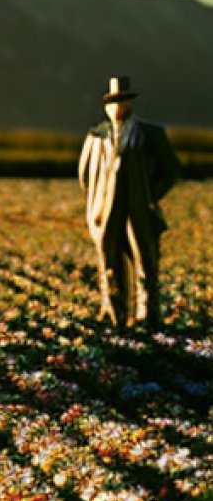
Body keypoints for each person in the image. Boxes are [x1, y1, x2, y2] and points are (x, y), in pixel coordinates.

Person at [78, 76, 180, 330]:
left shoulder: (149, 133)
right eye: (114, 102)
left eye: (123, 101)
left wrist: (150, 196)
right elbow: (85, 175)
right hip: (106, 209)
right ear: (107, 106)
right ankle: (114, 312)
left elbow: (170, 169)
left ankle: (149, 316)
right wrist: (95, 204)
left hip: (139, 209)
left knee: (145, 261)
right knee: (108, 260)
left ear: (131, 104)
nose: (118, 107)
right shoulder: (96, 136)